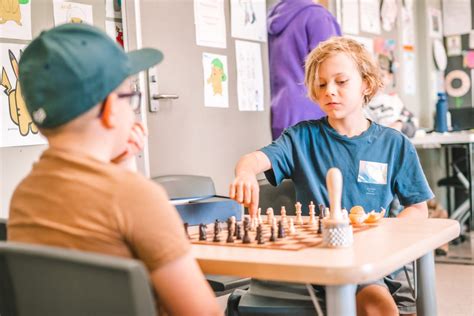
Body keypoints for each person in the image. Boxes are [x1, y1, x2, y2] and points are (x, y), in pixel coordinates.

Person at [8, 24, 220, 316]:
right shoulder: (137, 198)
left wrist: (122, 167)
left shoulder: (25, 195)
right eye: (130, 95)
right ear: (110, 108)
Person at [230, 37, 433, 315]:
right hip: (319, 259)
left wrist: (386, 235)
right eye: (322, 84)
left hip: (371, 259)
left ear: (367, 84)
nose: (330, 91)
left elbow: (418, 208)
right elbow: (254, 160)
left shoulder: (394, 144)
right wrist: (244, 171)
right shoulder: (301, 138)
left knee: (380, 303)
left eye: (341, 81)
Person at [268, 0, 341, 140]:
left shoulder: (273, 16)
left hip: (281, 110)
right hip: (314, 110)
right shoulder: (318, 17)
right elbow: (334, 68)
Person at [365, 54, 417, 138]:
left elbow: (412, 126)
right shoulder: (362, 104)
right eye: (374, 75)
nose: (378, 80)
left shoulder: (394, 102)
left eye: (382, 75)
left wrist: (400, 125)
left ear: (389, 77)